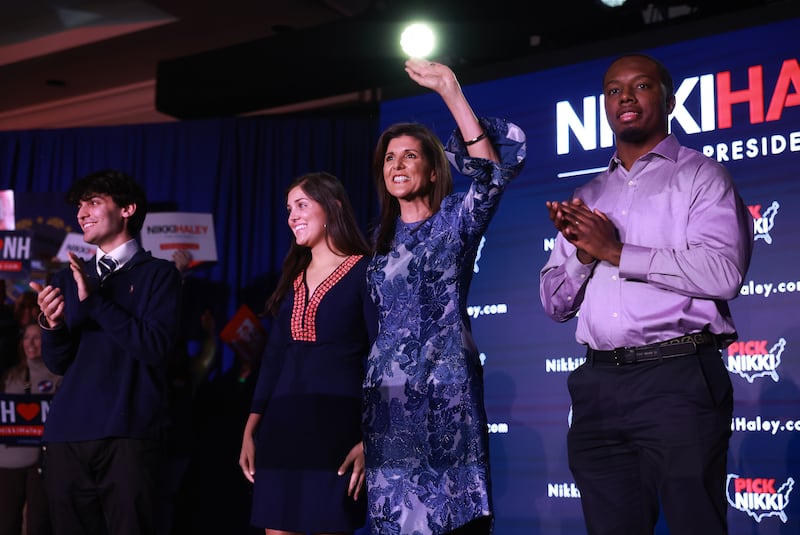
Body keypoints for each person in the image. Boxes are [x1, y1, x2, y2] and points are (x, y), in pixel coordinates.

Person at [539, 53, 754, 535]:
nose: (626, 97)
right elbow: (554, 303)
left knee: (695, 524)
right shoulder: (588, 196)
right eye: (614, 90)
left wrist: (616, 250)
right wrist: (586, 253)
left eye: (641, 86)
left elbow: (723, 274)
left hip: (677, 380)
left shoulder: (701, 176)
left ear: (669, 99)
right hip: (597, 386)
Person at [362, 58, 526, 535]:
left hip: (444, 386)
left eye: (410, 156)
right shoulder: (376, 241)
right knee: (399, 521)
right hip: (388, 395)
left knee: (452, 517)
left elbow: (494, 175)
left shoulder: (455, 219)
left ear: (434, 171)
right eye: (390, 158)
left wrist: (450, 90)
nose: (397, 165)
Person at [29, 169, 182, 535]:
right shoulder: (68, 277)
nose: (82, 213)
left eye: (94, 202)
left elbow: (154, 347)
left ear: (128, 209)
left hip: (128, 434)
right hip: (66, 435)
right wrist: (52, 326)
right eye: (80, 206)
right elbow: (58, 362)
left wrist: (95, 302)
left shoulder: (159, 275)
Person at [239, 171, 377, 535]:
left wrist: (371, 438)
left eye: (302, 205)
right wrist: (252, 426)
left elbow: (384, 358)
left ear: (332, 206)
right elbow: (274, 356)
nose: (292, 216)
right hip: (281, 427)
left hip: (336, 428)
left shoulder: (366, 271)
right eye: (288, 209)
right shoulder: (293, 277)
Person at [0, 321, 61, 535]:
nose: (31, 343)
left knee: (38, 525)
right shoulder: (9, 377)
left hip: (41, 462)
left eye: (37, 338)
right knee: (6, 525)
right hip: (8, 462)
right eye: (27, 338)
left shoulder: (58, 377)